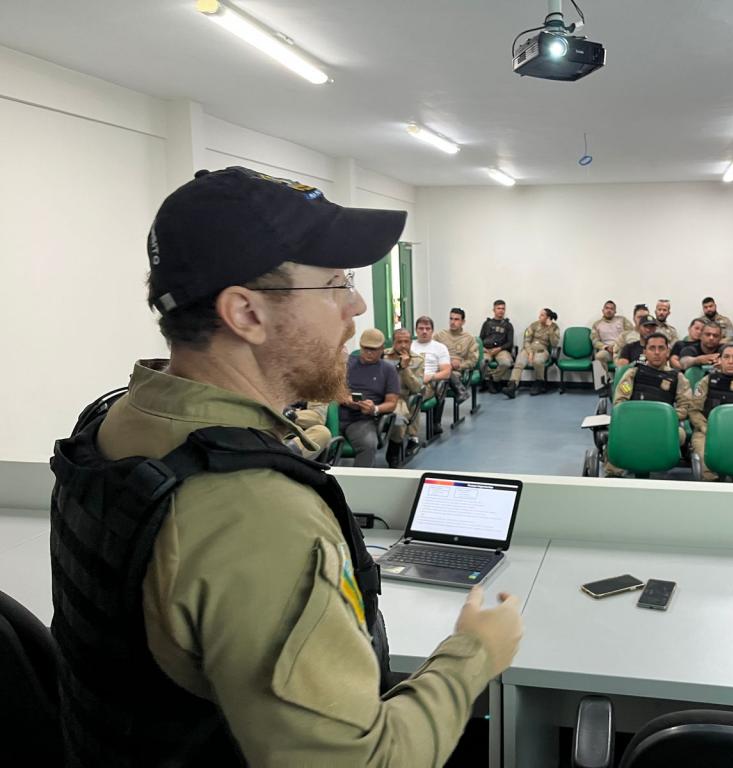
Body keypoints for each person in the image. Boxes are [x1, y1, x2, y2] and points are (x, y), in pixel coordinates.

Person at [49, 167, 522, 766]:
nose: (356, 306)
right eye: (335, 284)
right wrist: (474, 653)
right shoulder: (255, 513)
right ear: (246, 313)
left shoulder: (114, 423)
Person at [604, 333, 691, 477]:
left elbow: (685, 407)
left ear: (668, 352)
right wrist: (639, 419)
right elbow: (620, 403)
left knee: (680, 434)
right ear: (645, 352)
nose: (657, 352)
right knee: (618, 433)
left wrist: (665, 418)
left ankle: (655, 462)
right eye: (652, 348)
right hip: (634, 423)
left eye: (661, 348)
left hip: (662, 425)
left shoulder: (678, 378)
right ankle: (614, 474)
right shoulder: (633, 373)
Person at [688, 344, 733, 481]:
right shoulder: (707, 381)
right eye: (726, 357)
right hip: (707, 432)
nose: (730, 361)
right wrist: (705, 427)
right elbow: (694, 410)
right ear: (720, 360)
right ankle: (712, 486)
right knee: (706, 458)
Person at [334, 328, 401, 467]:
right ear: (360, 346)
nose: (369, 353)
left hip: (361, 420)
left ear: (382, 349)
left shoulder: (388, 370)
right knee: (314, 440)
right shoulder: (347, 364)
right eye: (365, 348)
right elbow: (334, 389)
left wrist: (374, 409)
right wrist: (347, 399)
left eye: (373, 349)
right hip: (335, 414)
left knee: (368, 444)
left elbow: (391, 403)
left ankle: (359, 478)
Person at [383, 327, 426, 465]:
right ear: (393, 342)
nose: (403, 345)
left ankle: (394, 450)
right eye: (399, 342)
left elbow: (417, 388)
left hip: (400, 398)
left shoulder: (418, 360)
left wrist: (405, 368)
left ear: (411, 342)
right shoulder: (383, 356)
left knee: (398, 417)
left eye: (406, 342)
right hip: (379, 395)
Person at [505, 307, 560, 397]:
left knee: (537, 361)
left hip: (542, 350)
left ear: (548, 317)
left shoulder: (554, 327)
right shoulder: (534, 325)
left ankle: (539, 382)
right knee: (519, 362)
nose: (539, 317)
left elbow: (554, 343)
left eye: (542, 315)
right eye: (540, 315)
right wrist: (530, 352)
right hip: (528, 349)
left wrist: (550, 329)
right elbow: (526, 340)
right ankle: (512, 386)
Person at [435, 307, 479, 403]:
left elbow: (473, 361)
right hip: (439, 367)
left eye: (456, 319)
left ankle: (436, 413)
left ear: (463, 322)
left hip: (456, 371)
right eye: (451, 319)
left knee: (442, 381)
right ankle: (461, 391)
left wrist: (460, 365)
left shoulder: (469, 339)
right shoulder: (440, 335)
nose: (452, 322)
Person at [479, 299, 514, 393]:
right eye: (498, 308)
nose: (501, 310)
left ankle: (493, 379)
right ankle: (489, 381)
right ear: (494, 310)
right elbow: (480, 339)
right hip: (487, 350)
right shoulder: (487, 324)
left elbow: (510, 343)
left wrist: (499, 348)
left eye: (503, 308)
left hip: (502, 350)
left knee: (506, 363)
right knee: (482, 362)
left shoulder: (508, 325)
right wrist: (483, 348)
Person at [591, 299, 633, 369]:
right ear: (603, 310)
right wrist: (606, 347)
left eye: (611, 309)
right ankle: (605, 376)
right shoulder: (597, 324)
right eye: (607, 308)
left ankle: (624, 376)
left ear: (615, 311)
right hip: (607, 350)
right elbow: (595, 341)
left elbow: (631, 334)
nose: (609, 310)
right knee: (599, 356)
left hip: (622, 349)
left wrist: (621, 345)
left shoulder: (622, 320)